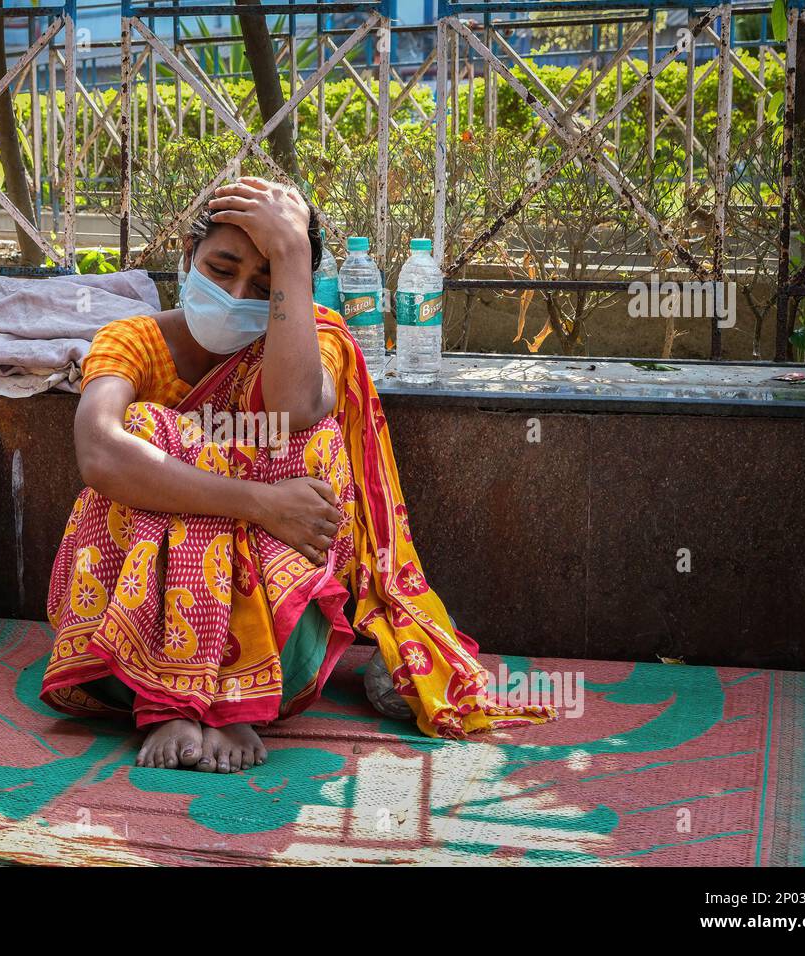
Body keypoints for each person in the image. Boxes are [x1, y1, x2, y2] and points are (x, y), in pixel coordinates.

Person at [42, 177, 555, 773]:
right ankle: (171, 698)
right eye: (221, 269)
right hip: (127, 633)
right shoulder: (134, 340)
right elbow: (101, 454)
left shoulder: (318, 341)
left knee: (303, 439)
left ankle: (234, 696)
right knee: (149, 430)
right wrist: (255, 502)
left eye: (264, 284)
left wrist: (292, 253)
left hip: (278, 633)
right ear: (187, 257)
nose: (237, 294)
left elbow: (291, 409)